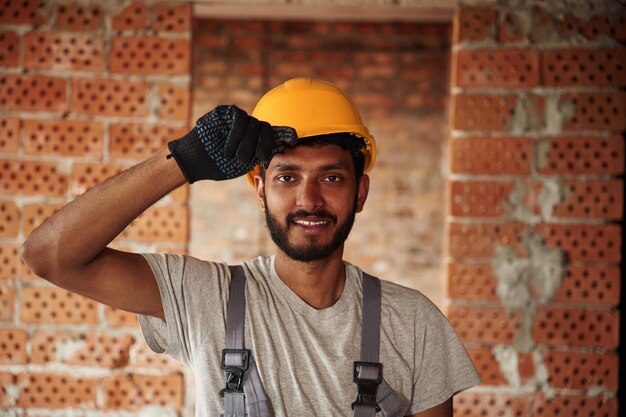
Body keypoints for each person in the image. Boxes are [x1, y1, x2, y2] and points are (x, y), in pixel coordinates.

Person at [21, 77, 480, 417]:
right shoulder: (204, 297)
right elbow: (51, 256)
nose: (309, 200)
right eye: (287, 177)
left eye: (332, 177)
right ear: (258, 188)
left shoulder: (414, 322)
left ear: (360, 192)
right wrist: (184, 161)